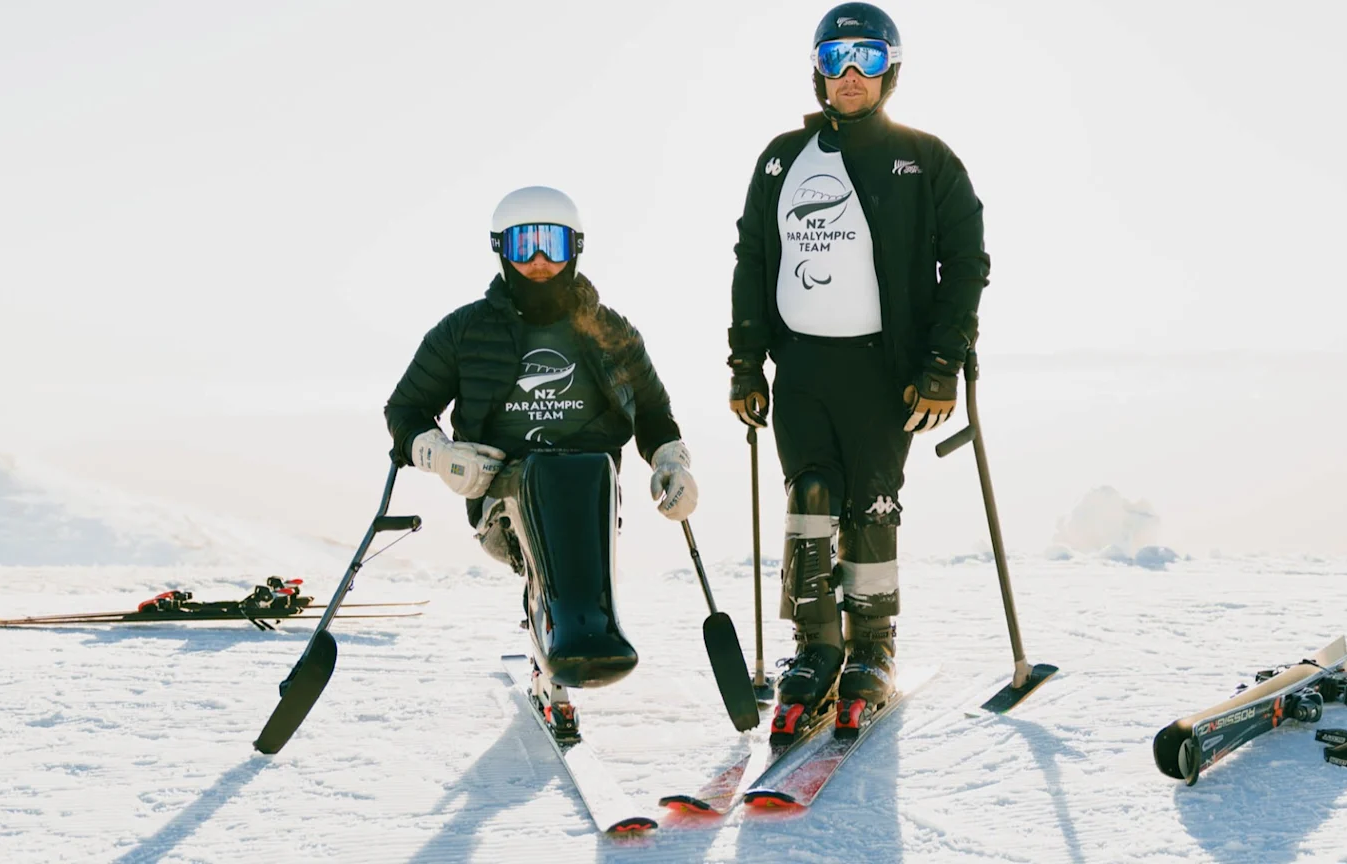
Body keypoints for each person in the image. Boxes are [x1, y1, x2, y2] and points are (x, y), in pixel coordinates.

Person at [725, 3, 991, 733]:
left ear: (891, 70)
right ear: (816, 69)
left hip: (886, 368)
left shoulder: (925, 158)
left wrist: (943, 363)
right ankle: (815, 649)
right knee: (809, 496)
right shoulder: (782, 158)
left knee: (870, 502)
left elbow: (966, 262)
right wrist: (746, 363)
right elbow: (752, 260)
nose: (850, 75)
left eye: (867, 60)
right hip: (802, 365)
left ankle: (872, 648)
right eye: (836, 59)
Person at [384, 186, 697, 732]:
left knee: (579, 468)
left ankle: (575, 632)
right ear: (501, 249)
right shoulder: (464, 332)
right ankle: (576, 639)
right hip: (501, 502)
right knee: (546, 471)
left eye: (550, 243)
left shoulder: (610, 332)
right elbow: (405, 409)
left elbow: (652, 411)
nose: (537, 261)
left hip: (591, 505)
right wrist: (440, 456)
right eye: (522, 244)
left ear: (574, 247)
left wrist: (672, 461)